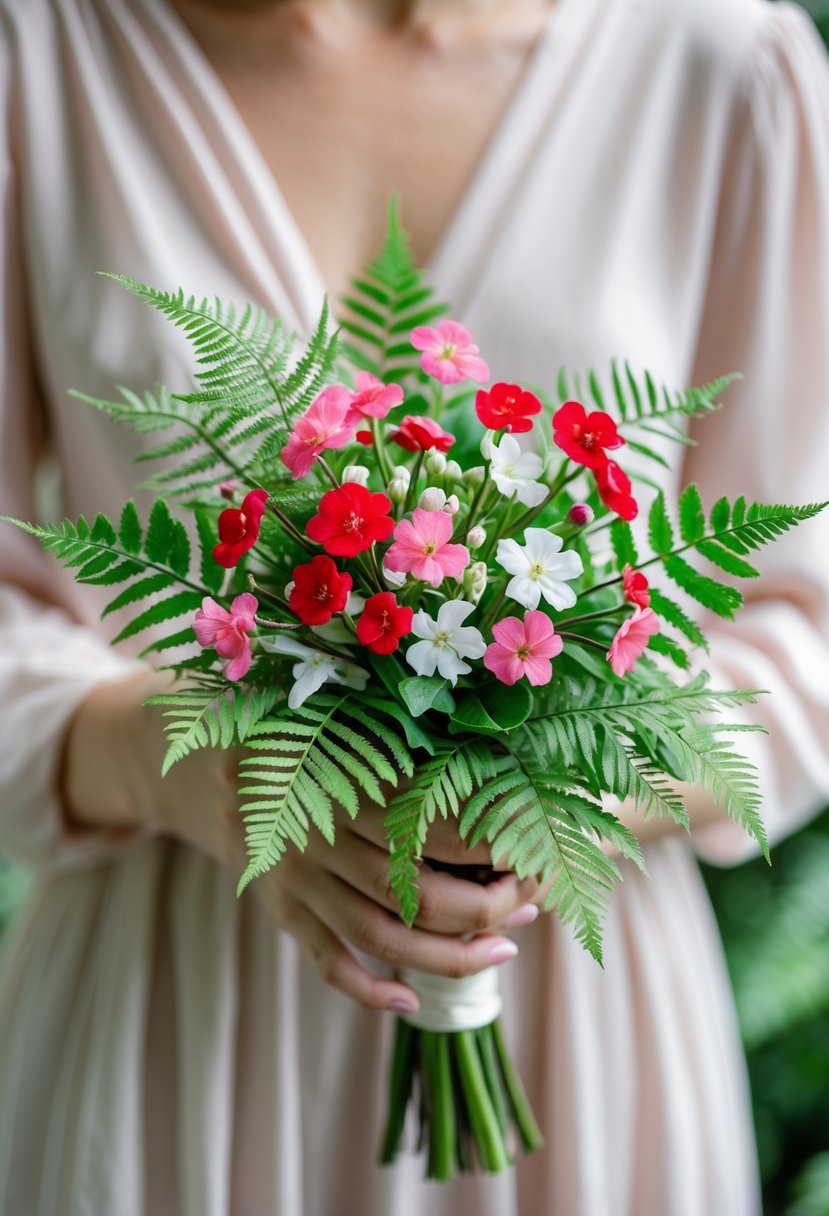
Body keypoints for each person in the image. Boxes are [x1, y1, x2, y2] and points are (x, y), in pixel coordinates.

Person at [1, 0, 828, 1212]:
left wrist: (555, 791)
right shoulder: (37, 54)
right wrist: (176, 761)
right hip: (169, 1018)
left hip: (576, 1029)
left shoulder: (721, 63)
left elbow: (806, 617)